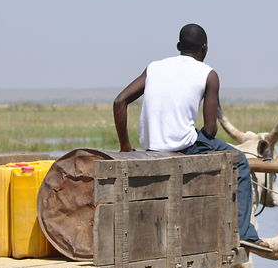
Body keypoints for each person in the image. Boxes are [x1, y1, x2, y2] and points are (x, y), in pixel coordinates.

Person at [113, 23, 266, 249]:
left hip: (150, 148)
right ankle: (245, 233)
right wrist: (203, 140)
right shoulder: (209, 74)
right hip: (184, 145)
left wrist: (126, 146)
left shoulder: (154, 67)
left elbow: (119, 102)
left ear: (178, 46)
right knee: (241, 162)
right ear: (204, 49)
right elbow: (211, 130)